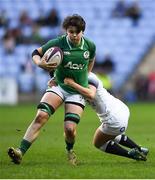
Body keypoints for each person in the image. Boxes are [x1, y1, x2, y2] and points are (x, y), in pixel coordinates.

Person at [7, 14, 96, 165]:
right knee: (41, 116)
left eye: (77, 32)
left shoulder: (90, 46)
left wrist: (84, 77)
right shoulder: (59, 43)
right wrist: (39, 63)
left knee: (69, 129)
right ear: (66, 31)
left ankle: (69, 150)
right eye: (71, 31)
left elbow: (91, 60)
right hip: (59, 86)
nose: (74, 35)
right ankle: (20, 151)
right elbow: (36, 53)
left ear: (83, 32)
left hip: (77, 92)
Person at [63, 72, 149, 161]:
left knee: (98, 143)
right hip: (120, 108)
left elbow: (90, 94)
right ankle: (141, 149)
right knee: (111, 135)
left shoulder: (90, 77)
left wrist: (71, 83)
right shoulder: (83, 76)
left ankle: (131, 155)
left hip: (113, 118)